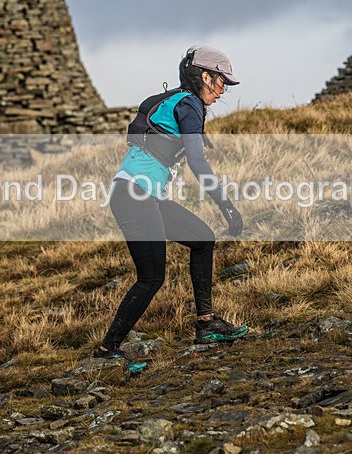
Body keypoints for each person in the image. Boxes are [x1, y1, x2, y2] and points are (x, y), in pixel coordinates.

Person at [93, 45, 248, 368]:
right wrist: (226, 204)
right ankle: (107, 351)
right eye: (221, 83)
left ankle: (206, 324)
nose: (222, 92)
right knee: (151, 277)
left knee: (202, 239)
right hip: (135, 195)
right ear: (205, 76)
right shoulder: (190, 104)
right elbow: (196, 160)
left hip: (140, 194)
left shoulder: (175, 100)